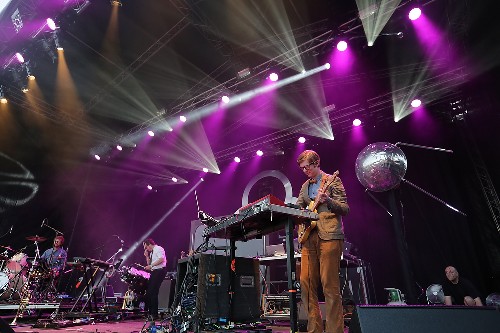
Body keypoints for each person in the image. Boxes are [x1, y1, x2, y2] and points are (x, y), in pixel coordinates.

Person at [296, 150, 349, 333]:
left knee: (329, 286)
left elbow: (345, 208)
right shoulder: (304, 186)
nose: (305, 171)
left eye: (307, 167)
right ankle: (314, 330)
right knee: (306, 285)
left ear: (316, 163)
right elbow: (299, 209)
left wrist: (329, 201)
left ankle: (335, 330)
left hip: (329, 236)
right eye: (302, 168)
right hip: (308, 238)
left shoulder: (332, 180)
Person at [143, 238, 167, 320]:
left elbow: (161, 259)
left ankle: (154, 314)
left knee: (153, 291)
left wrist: (151, 265)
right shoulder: (151, 253)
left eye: (146, 247)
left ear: (149, 244)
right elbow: (149, 264)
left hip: (159, 271)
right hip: (154, 272)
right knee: (150, 292)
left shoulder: (159, 248)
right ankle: (151, 313)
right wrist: (146, 256)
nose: (146, 249)